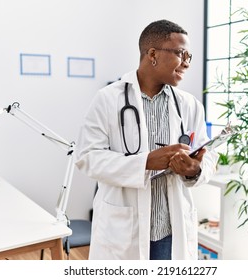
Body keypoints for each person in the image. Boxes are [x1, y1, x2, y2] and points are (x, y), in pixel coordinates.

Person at [75, 19, 218, 260]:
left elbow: (209, 156)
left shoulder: (190, 105)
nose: (186, 63)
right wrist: (146, 162)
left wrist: (195, 169)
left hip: (170, 229)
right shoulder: (108, 99)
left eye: (189, 56)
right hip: (124, 230)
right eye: (181, 54)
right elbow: (87, 157)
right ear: (152, 54)